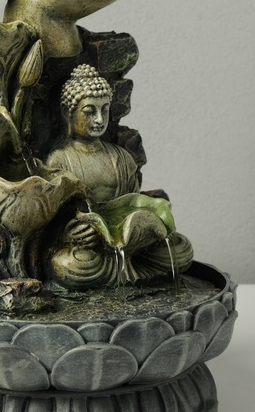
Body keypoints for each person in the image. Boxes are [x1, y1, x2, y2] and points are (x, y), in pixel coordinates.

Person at [46, 65, 193, 289]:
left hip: (128, 248)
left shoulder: (121, 157)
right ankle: (133, 274)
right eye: (89, 111)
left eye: (104, 110)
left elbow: (133, 203)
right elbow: (50, 218)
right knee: (67, 265)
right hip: (91, 250)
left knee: (181, 249)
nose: (99, 119)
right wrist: (67, 234)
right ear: (68, 112)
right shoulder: (59, 160)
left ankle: (126, 269)